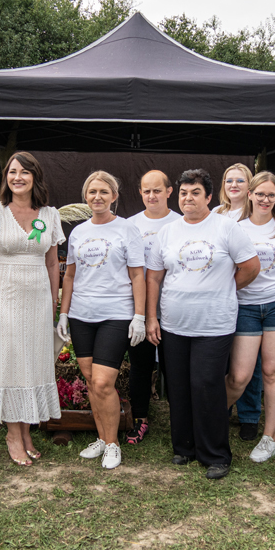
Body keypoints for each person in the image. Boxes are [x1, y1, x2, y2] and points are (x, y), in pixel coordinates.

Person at [146, 169, 259, 479]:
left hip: (214, 324)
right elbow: (154, 276)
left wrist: (225, 287)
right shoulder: (167, 232)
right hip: (173, 324)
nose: (188, 198)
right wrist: (152, 317)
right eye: (183, 193)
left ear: (209, 197)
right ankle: (184, 447)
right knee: (179, 387)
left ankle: (215, 455)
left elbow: (251, 267)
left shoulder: (226, 228)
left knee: (207, 386)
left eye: (195, 192)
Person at [0, 152, 65, 465]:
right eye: (12, 172)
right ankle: (13, 433)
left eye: (25, 172)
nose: (18, 178)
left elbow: (52, 262)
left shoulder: (48, 215)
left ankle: (26, 430)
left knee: (32, 362)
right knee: (10, 360)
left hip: (38, 299)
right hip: (4, 296)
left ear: (35, 178)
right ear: (6, 177)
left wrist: (52, 303)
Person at [57, 171, 146, 469]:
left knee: (103, 382)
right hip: (82, 315)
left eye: (104, 192)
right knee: (90, 381)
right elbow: (70, 274)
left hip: (116, 314)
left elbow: (137, 275)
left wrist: (139, 316)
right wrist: (64, 313)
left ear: (114, 196)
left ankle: (112, 444)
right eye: (92, 192)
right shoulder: (79, 232)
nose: (98, 197)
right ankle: (101, 436)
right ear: (86, 196)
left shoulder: (127, 229)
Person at [225, 172, 275, 463]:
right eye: (260, 194)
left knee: (273, 372)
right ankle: (211, 421)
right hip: (245, 306)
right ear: (250, 194)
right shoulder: (234, 227)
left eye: (271, 195)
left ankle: (269, 438)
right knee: (239, 377)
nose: (265, 200)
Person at [126, 170, 181, 444]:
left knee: (175, 368)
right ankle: (140, 419)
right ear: (140, 192)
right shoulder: (130, 225)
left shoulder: (182, 223)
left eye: (157, 190)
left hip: (172, 309)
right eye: (146, 191)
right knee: (141, 366)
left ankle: (179, 422)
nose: (151, 196)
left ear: (169, 191)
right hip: (139, 309)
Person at [213, 162, 262, 439]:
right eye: (229, 180)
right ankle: (223, 407)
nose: (234, 185)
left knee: (246, 361)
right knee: (222, 358)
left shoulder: (255, 214)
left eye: (240, 181)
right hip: (218, 299)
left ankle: (249, 415)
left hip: (247, 295)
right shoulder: (216, 213)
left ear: (250, 187)